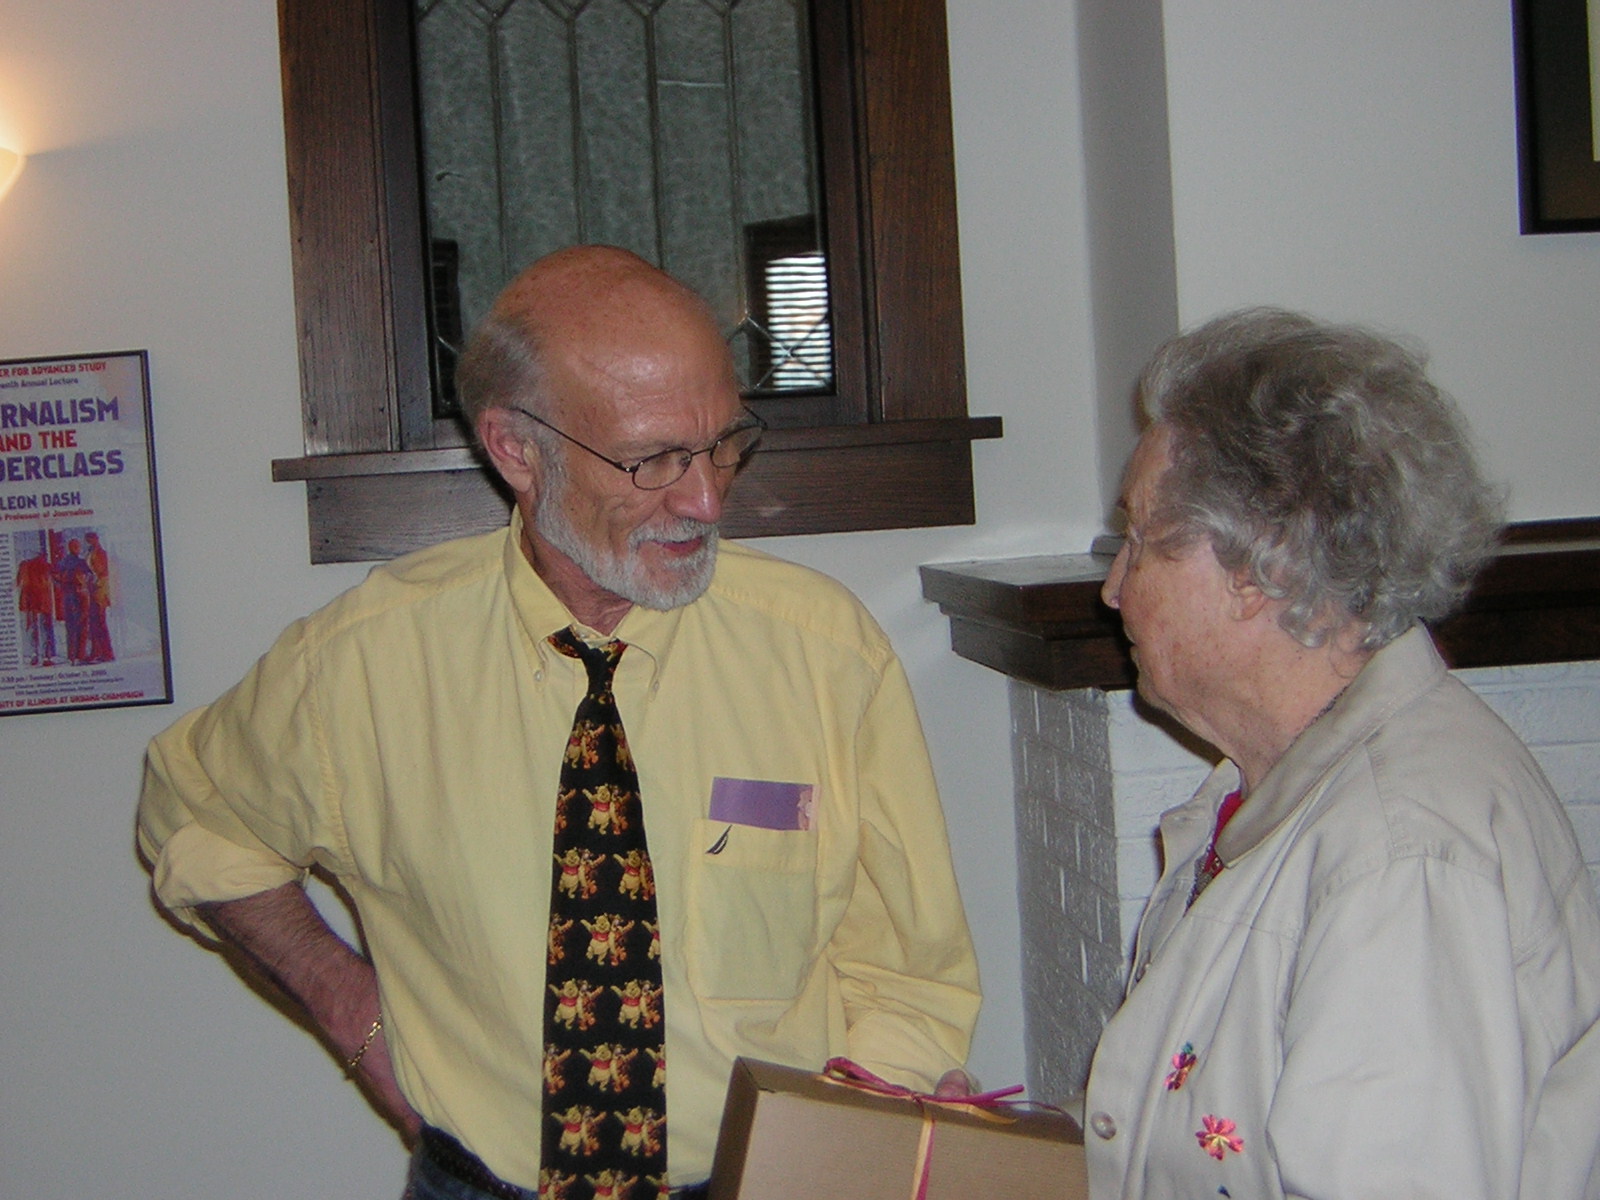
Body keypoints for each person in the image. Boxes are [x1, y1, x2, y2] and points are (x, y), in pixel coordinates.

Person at [137, 245, 980, 1200]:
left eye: (723, 444)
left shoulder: (826, 653)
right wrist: (356, 1016)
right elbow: (195, 819)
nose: (706, 498)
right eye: (654, 458)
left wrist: (860, 1130)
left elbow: (907, 973)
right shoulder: (362, 667)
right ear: (516, 449)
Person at [1083, 308, 1600, 1199]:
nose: (1112, 587)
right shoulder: (1272, 795)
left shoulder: (1404, 860)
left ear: (1260, 567)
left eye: (1139, 538)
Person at [15, 541, 57, 667]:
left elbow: (17, 583)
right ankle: (45, 656)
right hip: (42, 602)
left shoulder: (24, 565)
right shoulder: (46, 565)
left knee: (32, 627)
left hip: (30, 602)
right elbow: (56, 579)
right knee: (45, 628)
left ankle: (35, 654)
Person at [84, 530, 115, 662]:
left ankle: (107, 653)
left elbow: (103, 572)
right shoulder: (90, 553)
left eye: (90, 539)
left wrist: (95, 580)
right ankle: (96, 652)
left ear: (96, 539)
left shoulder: (101, 554)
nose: (89, 542)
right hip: (92, 590)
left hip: (100, 590)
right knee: (94, 623)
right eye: (87, 540)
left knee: (100, 622)